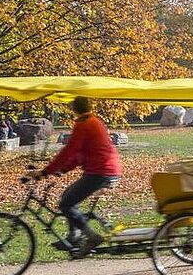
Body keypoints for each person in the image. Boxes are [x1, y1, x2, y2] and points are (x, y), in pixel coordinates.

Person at [25, 96, 121, 255]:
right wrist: (61, 170)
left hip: (101, 172)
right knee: (67, 197)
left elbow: (69, 151)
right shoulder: (94, 121)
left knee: (66, 204)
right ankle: (74, 236)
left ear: (74, 109)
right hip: (105, 169)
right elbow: (79, 155)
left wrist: (45, 172)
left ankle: (91, 237)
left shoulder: (84, 124)